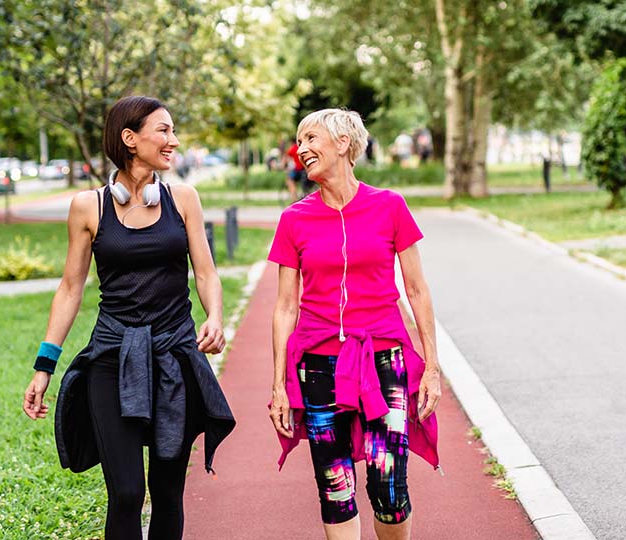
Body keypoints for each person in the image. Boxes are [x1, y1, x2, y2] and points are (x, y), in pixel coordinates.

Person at [22, 96, 235, 540]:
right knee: (125, 491)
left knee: (167, 490)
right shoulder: (89, 206)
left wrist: (214, 314)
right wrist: (45, 365)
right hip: (110, 357)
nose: (173, 141)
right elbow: (70, 288)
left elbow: (207, 271)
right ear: (129, 138)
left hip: (173, 356)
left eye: (173, 131)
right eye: (164, 130)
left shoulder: (184, 199)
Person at [268, 109, 441, 540]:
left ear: (343, 143)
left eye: (310, 139)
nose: (301, 150)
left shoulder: (390, 206)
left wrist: (433, 368)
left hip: (384, 359)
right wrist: (278, 387)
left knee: (388, 484)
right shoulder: (294, 219)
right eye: (299, 142)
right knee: (335, 487)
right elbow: (285, 306)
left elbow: (417, 291)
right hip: (318, 363)